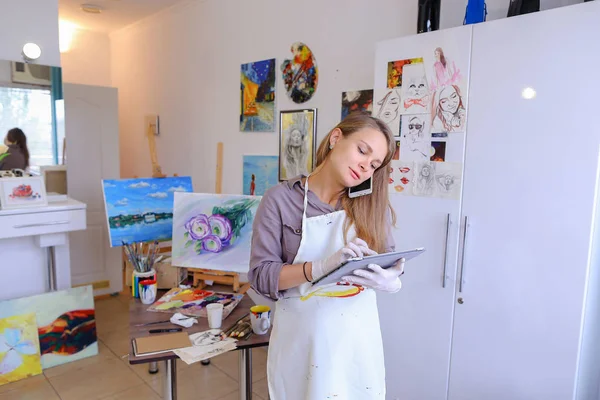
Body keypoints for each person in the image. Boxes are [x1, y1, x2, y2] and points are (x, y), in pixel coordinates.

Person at [249, 112, 405, 399]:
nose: (364, 166)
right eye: (362, 150)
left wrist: (391, 279)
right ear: (336, 138)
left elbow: (389, 258)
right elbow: (262, 276)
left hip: (356, 344)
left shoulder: (372, 206)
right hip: (302, 344)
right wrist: (319, 267)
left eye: (374, 164)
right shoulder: (280, 200)